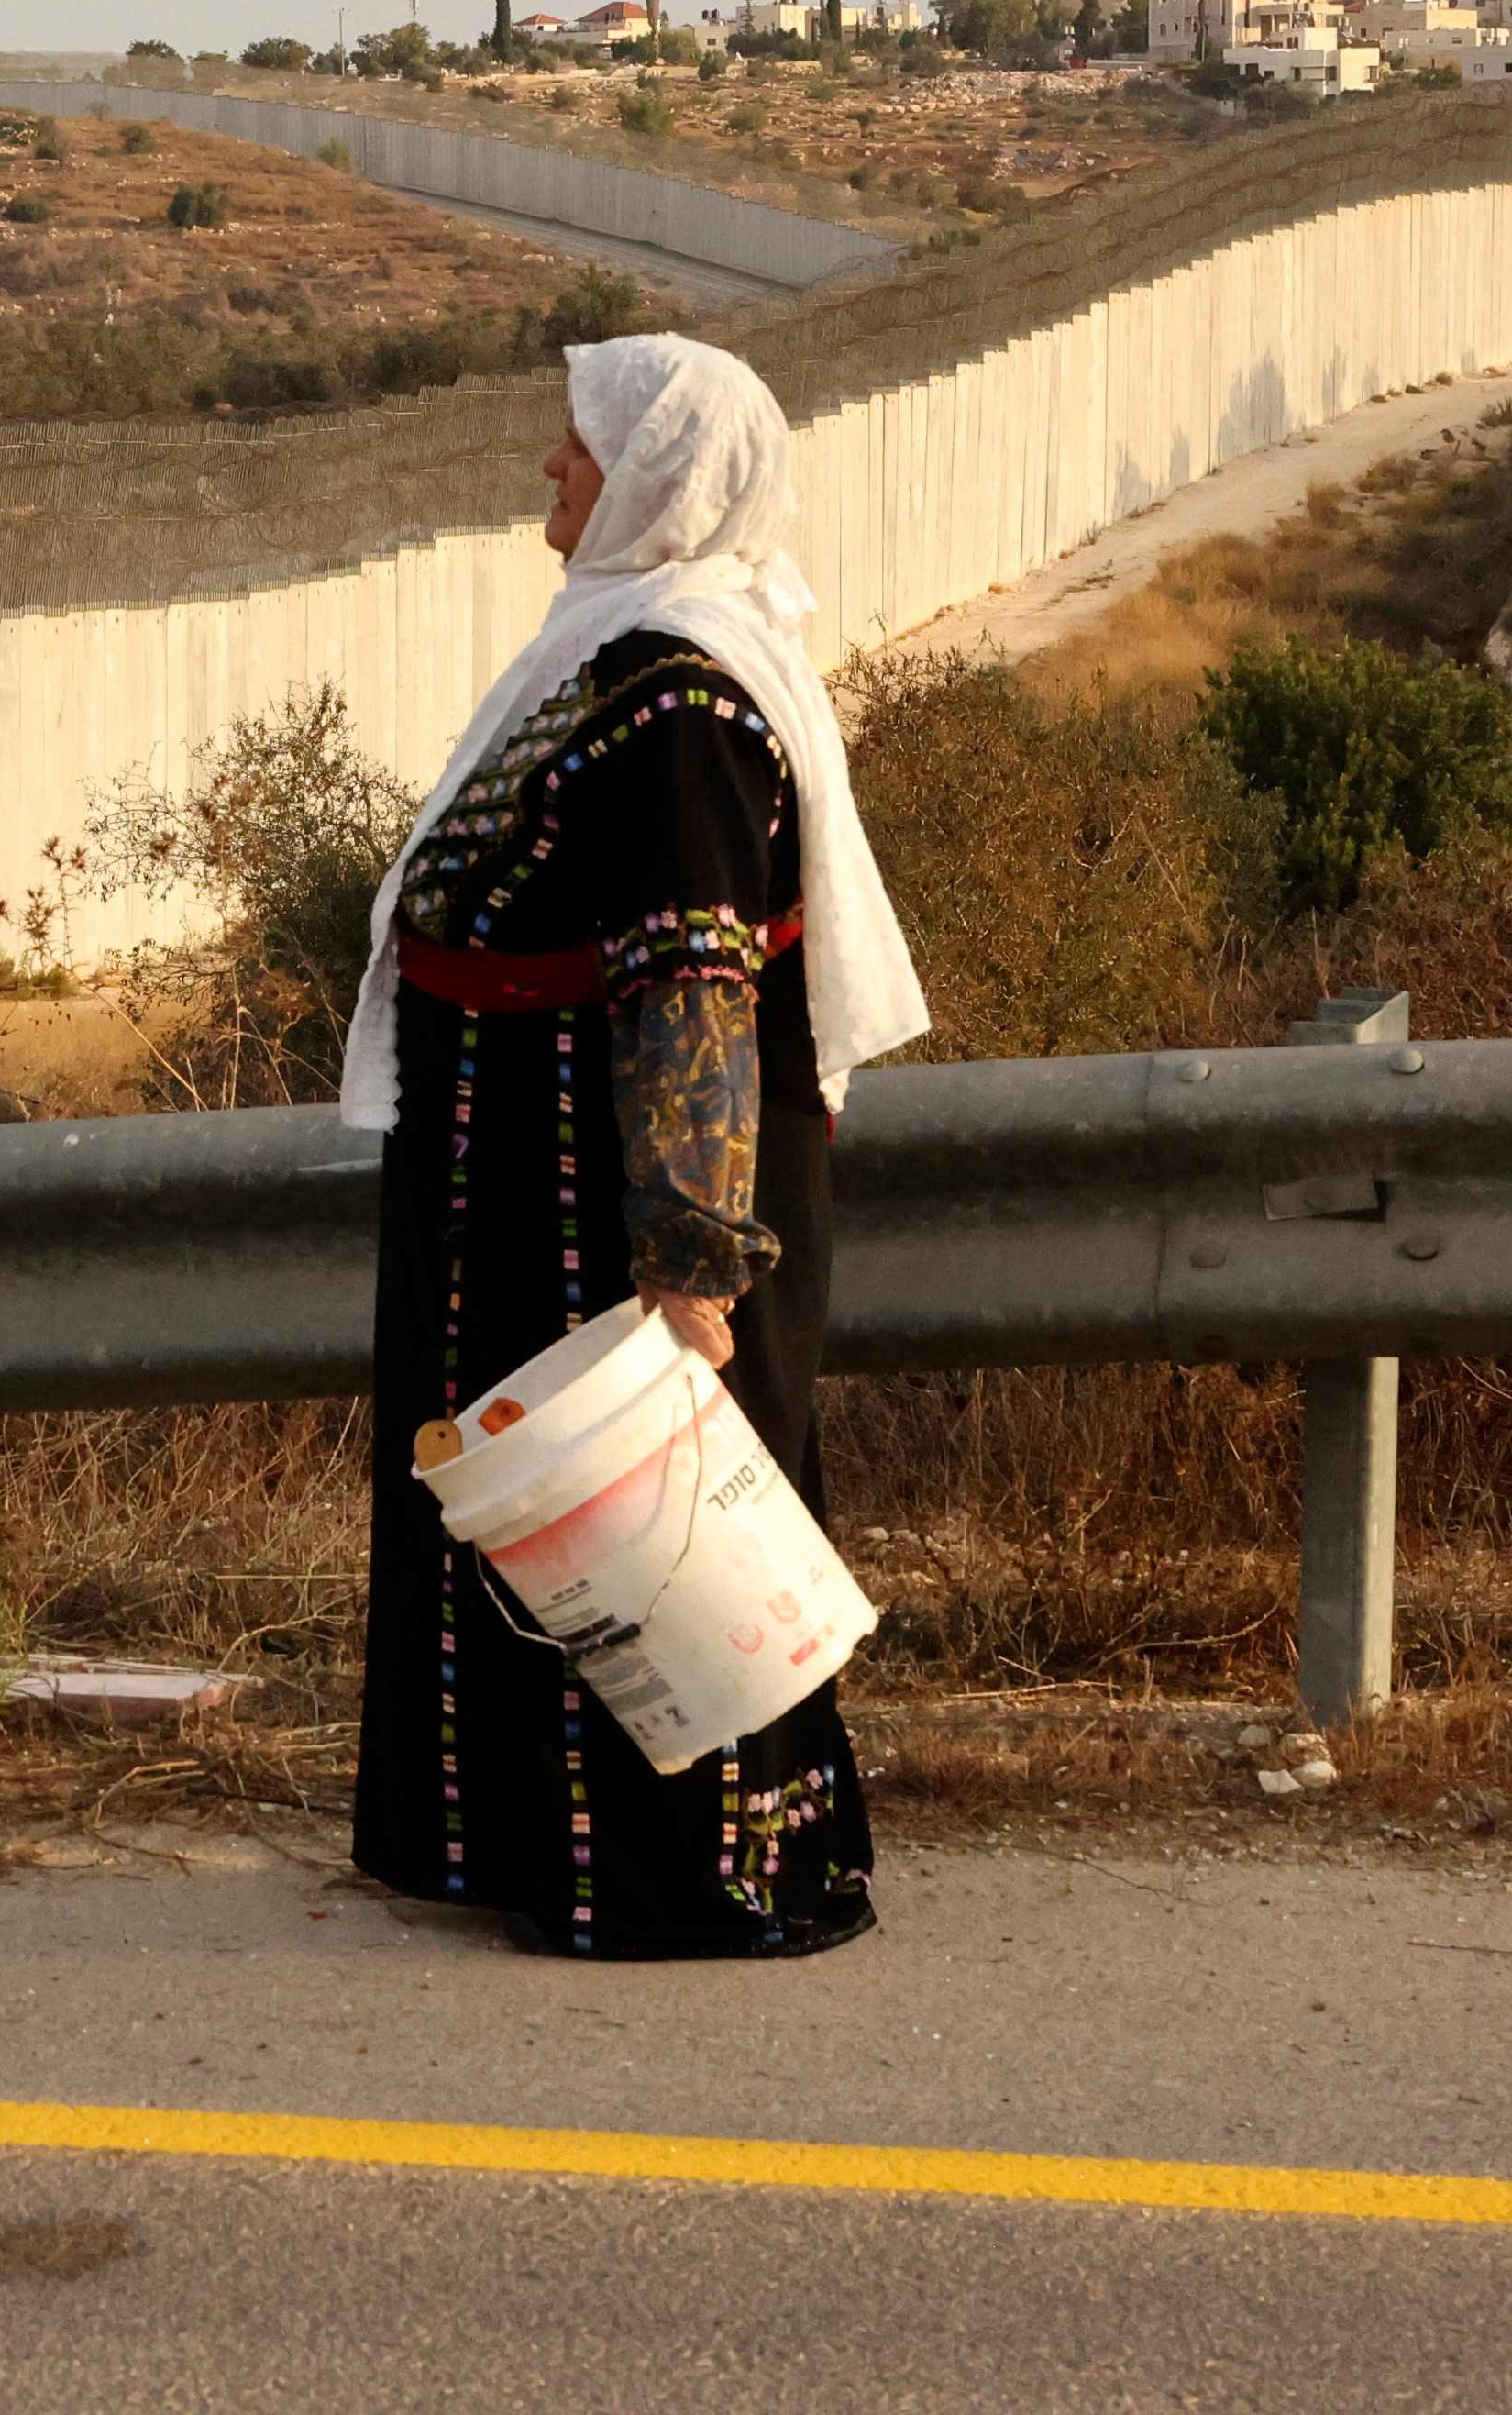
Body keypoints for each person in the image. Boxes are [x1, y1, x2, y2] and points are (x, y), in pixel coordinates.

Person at [338, 334, 928, 1959]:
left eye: (578, 444)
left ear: (657, 478)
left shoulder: (683, 698)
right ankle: (513, 1848)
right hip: (511, 1175)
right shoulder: (611, 656)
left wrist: (687, 1262)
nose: (552, 467)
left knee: (642, 1529)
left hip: (602, 1199)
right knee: (538, 1518)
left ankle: (687, 1878)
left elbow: (693, 989)